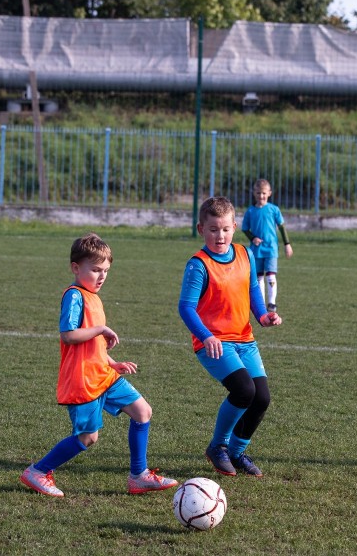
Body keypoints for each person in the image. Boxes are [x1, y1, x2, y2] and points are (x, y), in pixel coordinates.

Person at [21, 233, 178, 497]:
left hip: (104, 375)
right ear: (75, 267)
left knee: (143, 411)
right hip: (82, 380)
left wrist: (113, 363)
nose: (102, 276)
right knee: (87, 438)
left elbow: (92, 345)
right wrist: (101, 328)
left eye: (106, 270)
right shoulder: (75, 296)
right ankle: (38, 471)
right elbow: (69, 336)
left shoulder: (93, 295)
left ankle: (139, 476)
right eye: (95, 270)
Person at [179, 196, 283, 478]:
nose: (220, 235)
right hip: (212, 343)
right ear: (201, 229)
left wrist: (263, 316)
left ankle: (237, 453)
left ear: (234, 227)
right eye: (213, 229)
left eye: (225, 229)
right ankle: (218, 447)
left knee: (261, 397)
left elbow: (252, 292)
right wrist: (206, 335)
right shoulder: (198, 264)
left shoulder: (244, 254)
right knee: (243, 390)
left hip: (244, 339)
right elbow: (186, 307)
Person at [241, 179, 292, 312]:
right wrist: (253, 238)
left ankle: (272, 303)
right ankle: (261, 304)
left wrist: (287, 244)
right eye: (258, 193)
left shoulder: (274, 209)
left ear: (269, 193)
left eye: (264, 193)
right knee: (258, 277)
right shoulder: (250, 211)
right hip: (256, 250)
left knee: (270, 275)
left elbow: (281, 227)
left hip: (271, 249)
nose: (261, 196)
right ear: (254, 193)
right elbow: (245, 228)